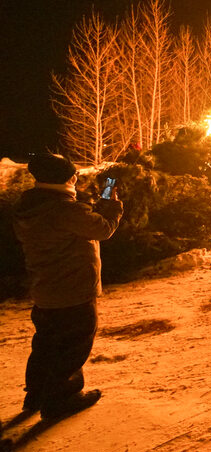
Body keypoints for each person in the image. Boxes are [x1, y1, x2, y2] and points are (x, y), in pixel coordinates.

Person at [12, 153, 123, 421]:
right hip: (73, 292)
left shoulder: (30, 206)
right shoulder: (65, 210)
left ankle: (37, 393)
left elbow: (74, 215)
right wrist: (111, 198)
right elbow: (103, 228)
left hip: (46, 292)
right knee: (73, 346)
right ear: (70, 177)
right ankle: (62, 399)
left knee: (46, 344)